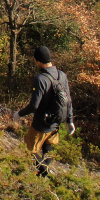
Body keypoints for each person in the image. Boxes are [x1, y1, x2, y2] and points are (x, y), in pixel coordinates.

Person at [12, 45, 75, 177]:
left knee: (30, 149)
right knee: (48, 147)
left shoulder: (41, 79)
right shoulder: (62, 75)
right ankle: (44, 176)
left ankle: (43, 171)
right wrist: (70, 121)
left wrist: (19, 114)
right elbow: (68, 100)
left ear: (38, 61)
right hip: (56, 123)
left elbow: (34, 106)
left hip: (40, 124)